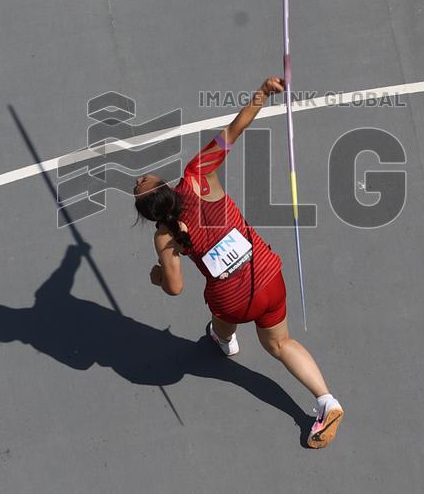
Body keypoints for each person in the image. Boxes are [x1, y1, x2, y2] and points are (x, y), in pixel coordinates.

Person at [133, 76, 343, 449]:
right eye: (141, 182)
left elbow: (175, 287)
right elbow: (235, 129)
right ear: (160, 186)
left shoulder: (164, 237)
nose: (138, 178)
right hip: (267, 275)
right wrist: (261, 93)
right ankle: (327, 400)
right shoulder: (197, 174)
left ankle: (225, 340)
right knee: (280, 345)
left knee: (220, 306)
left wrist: (156, 277)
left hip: (232, 300)